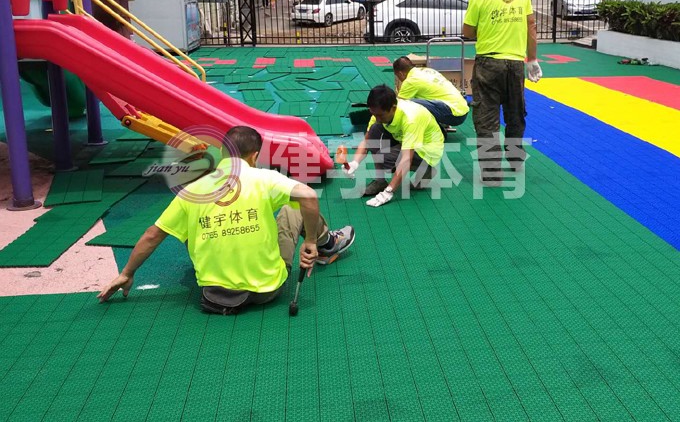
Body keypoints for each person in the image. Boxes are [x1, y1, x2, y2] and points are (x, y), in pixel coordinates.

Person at [97, 126, 355, 314]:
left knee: (187, 227)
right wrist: (307, 240)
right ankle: (325, 244)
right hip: (267, 290)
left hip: (214, 298)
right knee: (293, 209)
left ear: (222, 152)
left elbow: (152, 235)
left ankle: (222, 268)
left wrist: (126, 273)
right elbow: (309, 196)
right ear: (254, 155)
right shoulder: (263, 178)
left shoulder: (193, 189)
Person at [462, 0, 542, 186]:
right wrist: (533, 60)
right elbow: (531, 28)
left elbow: (467, 31)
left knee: (486, 119)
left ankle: (492, 173)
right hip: (516, 64)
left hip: (489, 63)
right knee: (515, 114)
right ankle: (516, 160)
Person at [344, 85, 444, 207]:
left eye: (380, 115)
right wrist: (354, 163)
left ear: (393, 108)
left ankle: (426, 168)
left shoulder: (411, 118)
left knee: (385, 157)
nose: (377, 118)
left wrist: (388, 192)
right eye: (374, 114)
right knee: (375, 130)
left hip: (426, 149)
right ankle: (380, 181)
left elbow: (407, 159)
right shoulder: (379, 114)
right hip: (402, 139)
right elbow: (366, 142)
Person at [392, 56, 469, 129]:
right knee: (420, 97)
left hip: (454, 115)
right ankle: (440, 123)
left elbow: (399, 104)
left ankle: (431, 129)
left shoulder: (411, 81)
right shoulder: (428, 70)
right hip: (462, 110)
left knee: (407, 103)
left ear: (400, 73)